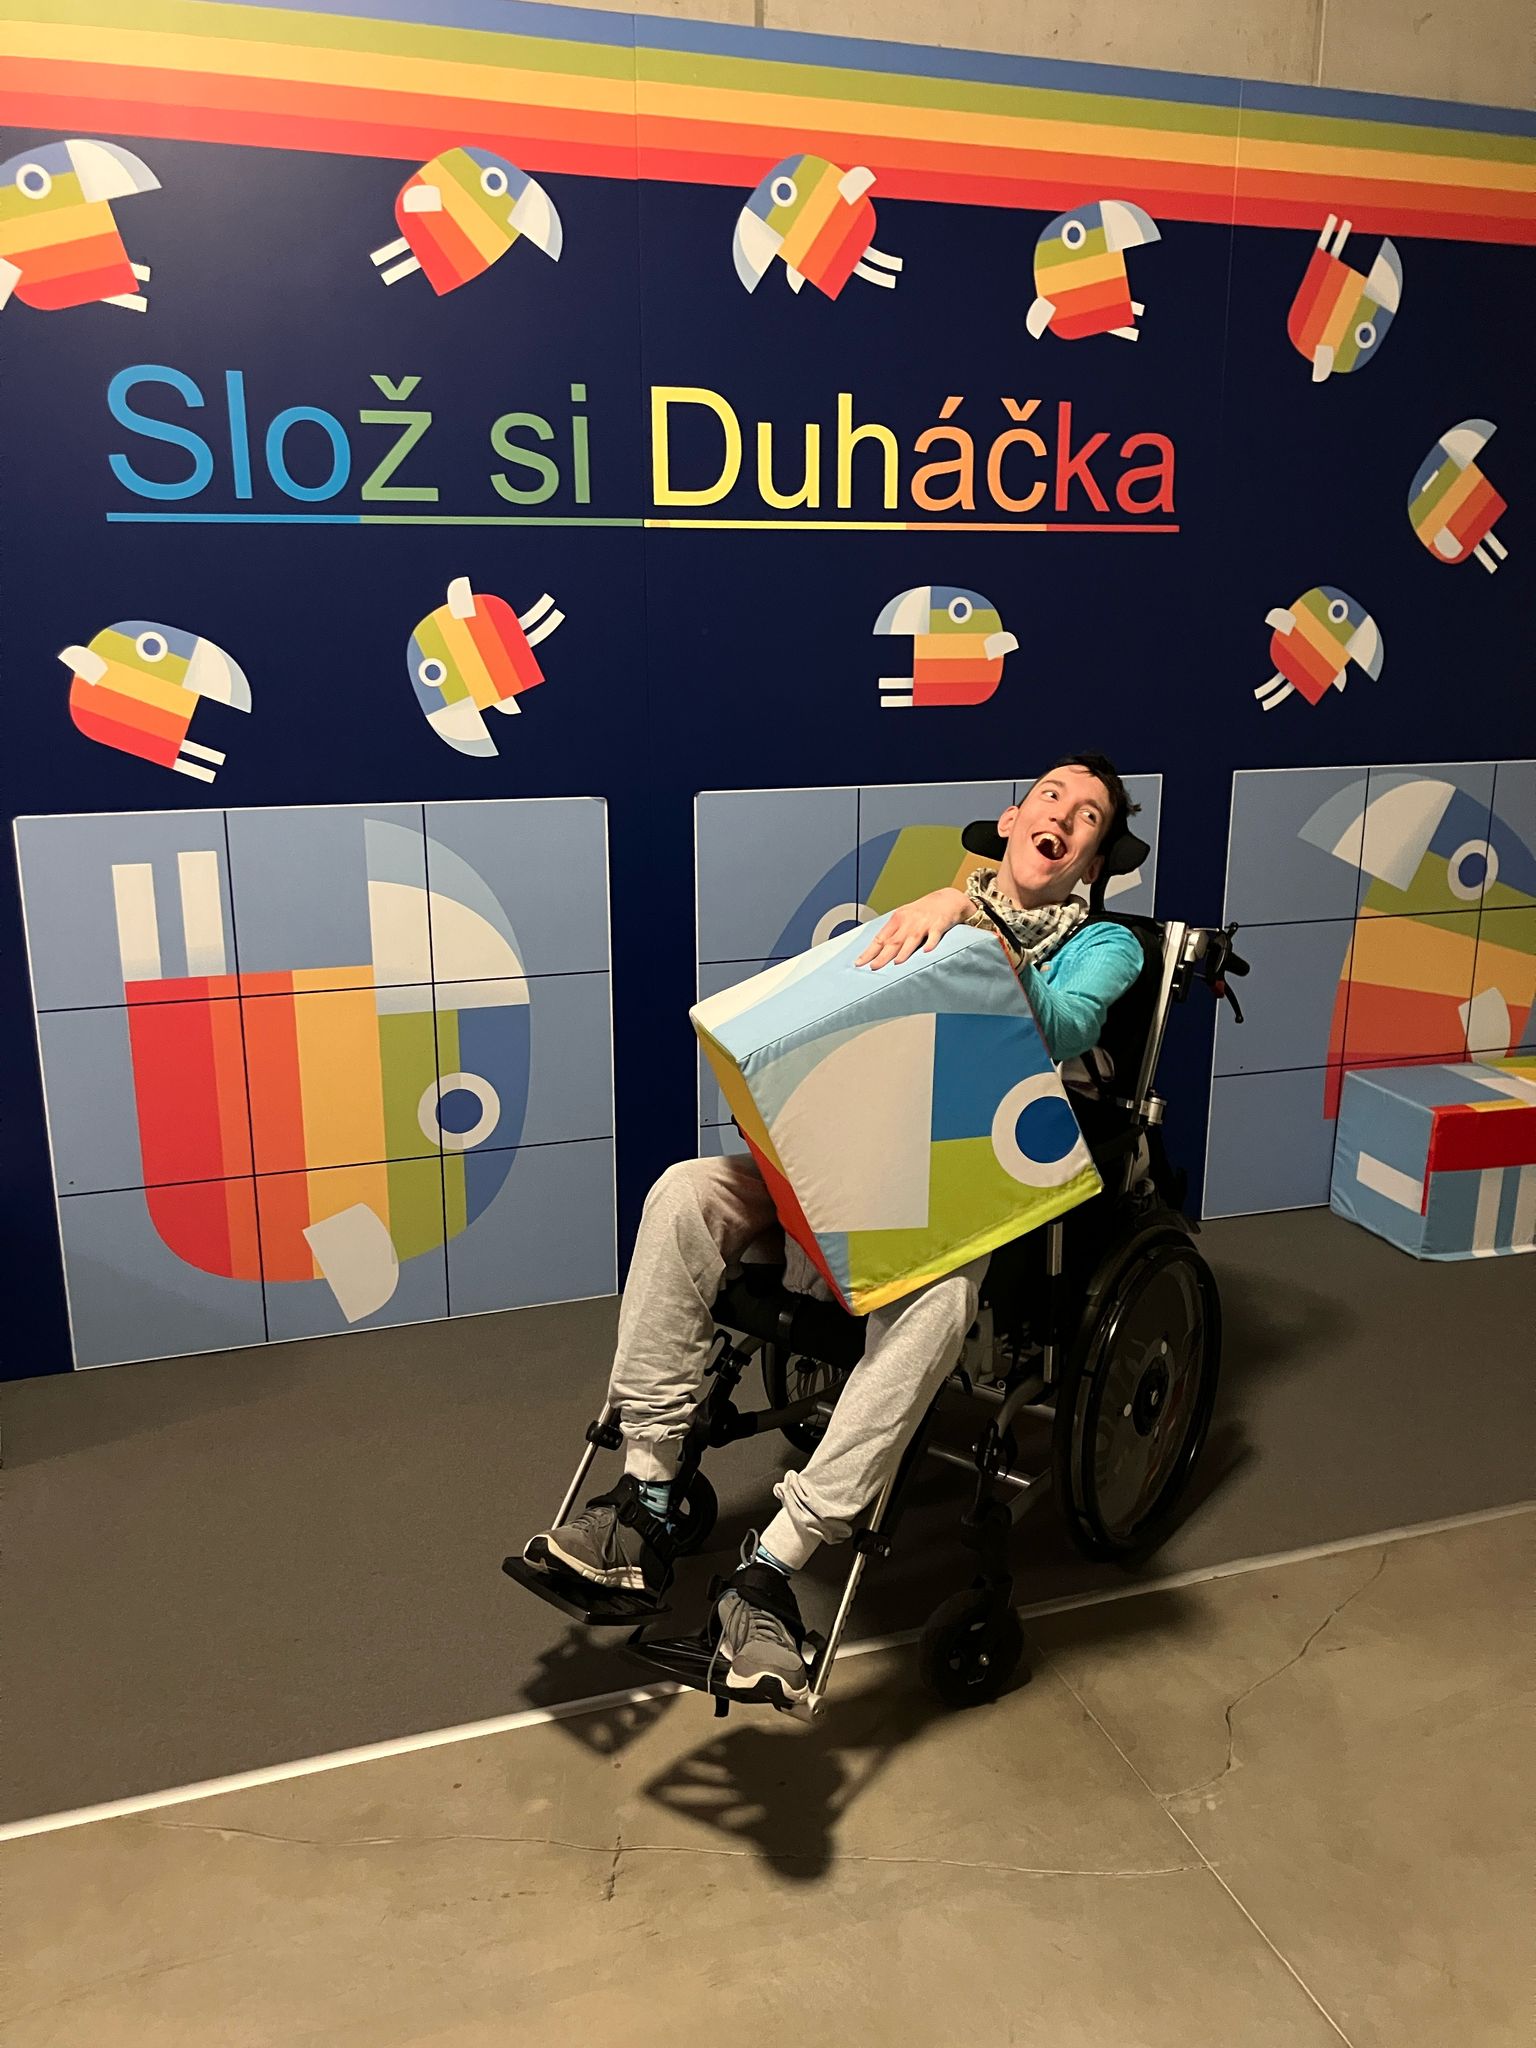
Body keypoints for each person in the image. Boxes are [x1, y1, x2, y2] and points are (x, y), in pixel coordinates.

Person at [518, 754, 1146, 1708]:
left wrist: (970, 923)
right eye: (1052, 796)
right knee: (684, 1194)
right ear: (1014, 818)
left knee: (943, 1300)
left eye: (1090, 815)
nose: (1065, 814)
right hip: (853, 1164)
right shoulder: (924, 911)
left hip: (962, 1185)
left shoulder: (1102, 945)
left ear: (1091, 861)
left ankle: (776, 1562)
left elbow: (1060, 1029)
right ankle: (645, 1492)